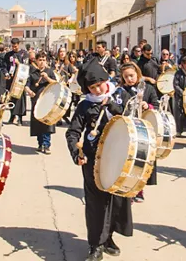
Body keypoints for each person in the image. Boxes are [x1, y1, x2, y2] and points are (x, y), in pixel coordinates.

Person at [66, 61, 133, 261]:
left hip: (120, 156)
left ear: (106, 80)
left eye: (99, 85)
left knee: (116, 199)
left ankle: (109, 237)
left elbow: (132, 118)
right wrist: (76, 153)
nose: (97, 90)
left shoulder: (121, 96)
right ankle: (95, 244)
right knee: (96, 202)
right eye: (92, 88)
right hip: (93, 158)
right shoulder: (85, 105)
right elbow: (73, 132)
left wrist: (111, 105)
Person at [118, 63, 159, 203]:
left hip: (144, 130)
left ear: (138, 73)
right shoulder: (121, 91)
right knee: (127, 160)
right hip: (128, 130)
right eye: (126, 77)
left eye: (132, 75)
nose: (129, 79)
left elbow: (157, 106)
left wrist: (148, 106)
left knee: (141, 160)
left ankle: (138, 190)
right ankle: (126, 190)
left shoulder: (149, 89)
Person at [25, 52, 58, 153]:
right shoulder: (33, 73)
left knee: (46, 124)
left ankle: (47, 144)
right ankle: (40, 143)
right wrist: (29, 91)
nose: (42, 62)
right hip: (36, 101)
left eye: (44, 60)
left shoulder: (50, 71)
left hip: (47, 101)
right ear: (36, 61)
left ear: (46, 61)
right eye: (40, 60)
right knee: (38, 123)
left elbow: (55, 83)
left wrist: (47, 77)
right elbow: (27, 85)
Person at [1, 38, 29, 125]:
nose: (14, 48)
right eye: (13, 46)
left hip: (20, 80)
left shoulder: (24, 54)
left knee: (20, 100)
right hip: (11, 80)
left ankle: (19, 118)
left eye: (15, 46)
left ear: (19, 44)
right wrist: (6, 73)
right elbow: (4, 66)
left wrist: (18, 63)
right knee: (11, 99)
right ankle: (12, 116)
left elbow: (26, 66)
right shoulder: (8, 55)